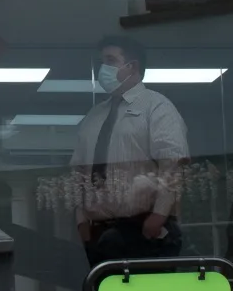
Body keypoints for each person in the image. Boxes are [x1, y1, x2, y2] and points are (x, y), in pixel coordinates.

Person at [71, 34, 189, 268]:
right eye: (99, 62)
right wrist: (81, 222)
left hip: (145, 230)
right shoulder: (93, 117)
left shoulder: (156, 107)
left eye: (110, 60)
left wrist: (158, 216)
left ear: (132, 66)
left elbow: (173, 164)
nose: (101, 68)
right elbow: (78, 174)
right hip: (100, 235)